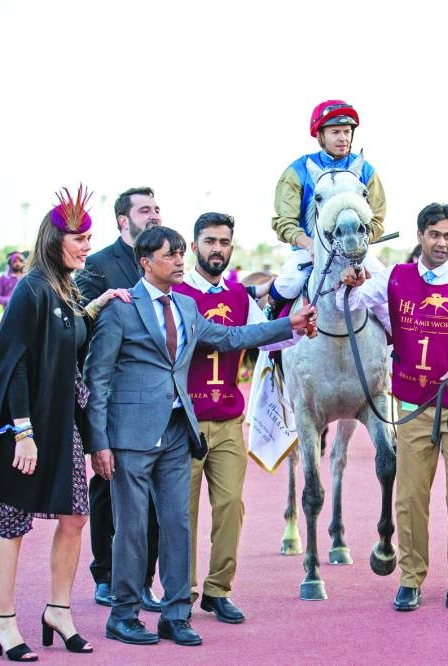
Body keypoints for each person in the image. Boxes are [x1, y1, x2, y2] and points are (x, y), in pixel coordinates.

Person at [84, 226, 316, 647]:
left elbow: (231, 337)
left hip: (179, 431)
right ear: (145, 263)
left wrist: (289, 324)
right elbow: (96, 378)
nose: (179, 261)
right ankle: (123, 614)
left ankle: (176, 614)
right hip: (131, 437)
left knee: (178, 524)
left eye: (179, 254)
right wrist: (98, 442)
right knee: (132, 528)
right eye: (170, 255)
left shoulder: (186, 307)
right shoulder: (120, 309)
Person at [0, 186, 130, 660]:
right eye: (80, 239)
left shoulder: (66, 289)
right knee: (12, 523)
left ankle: (58, 611)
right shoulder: (30, 290)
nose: (88, 247)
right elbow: (14, 366)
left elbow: (68, 332)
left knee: (75, 517)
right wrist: (23, 435)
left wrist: (98, 304)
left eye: (89, 238)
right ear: (55, 240)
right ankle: (3, 621)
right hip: (23, 430)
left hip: (62, 424)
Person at [339, 202, 448, 616]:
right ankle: (410, 579)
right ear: (420, 236)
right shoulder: (395, 278)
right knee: (411, 496)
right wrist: (350, 282)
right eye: (435, 235)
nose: (442, 243)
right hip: (412, 406)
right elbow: (351, 304)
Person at [173, 213, 302, 624]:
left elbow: (271, 339)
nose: (217, 249)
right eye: (210, 241)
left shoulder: (239, 296)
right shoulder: (176, 294)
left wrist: (302, 325)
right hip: (184, 423)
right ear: (194, 246)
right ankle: (182, 592)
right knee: (182, 513)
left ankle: (218, 589)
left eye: (224, 242)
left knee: (230, 505)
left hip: (228, 420)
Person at [76, 186, 165, 610]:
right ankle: (106, 575)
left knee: (154, 494)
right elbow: (78, 324)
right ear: (123, 220)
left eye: (157, 208)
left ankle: (144, 580)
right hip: (111, 397)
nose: (154, 214)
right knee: (107, 484)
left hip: (155, 398)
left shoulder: (165, 261)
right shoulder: (98, 265)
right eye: (145, 209)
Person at [268, 99, 386, 307]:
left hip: (355, 250)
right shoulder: (297, 170)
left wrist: (360, 242)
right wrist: (310, 245)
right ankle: (270, 312)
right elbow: (284, 222)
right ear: (320, 136)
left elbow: (376, 218)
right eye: (335, 132)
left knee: (386, 287)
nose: (343, 138)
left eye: (347, 132)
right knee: (289, 283)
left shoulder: (366, 171)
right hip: (309, 250)